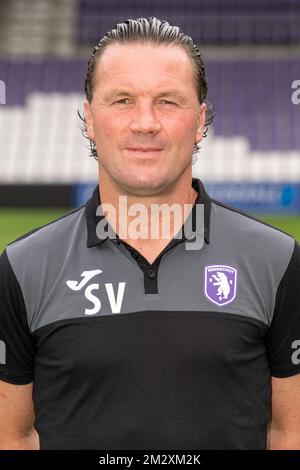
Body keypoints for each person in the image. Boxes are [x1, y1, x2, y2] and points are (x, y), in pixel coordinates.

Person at [0, 16, 300, 450]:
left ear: (200, 121)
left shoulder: (278, 261)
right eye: (122, 100)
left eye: (167, 101)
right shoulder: (22, 269)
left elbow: (289, 431)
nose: (145, 122)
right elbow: (13, 434)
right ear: (89, 118)